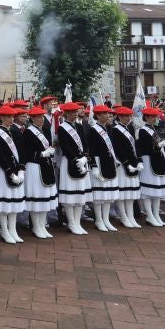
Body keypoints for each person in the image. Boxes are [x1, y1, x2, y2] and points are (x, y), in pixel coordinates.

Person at [0, 106, 27, 244]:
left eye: (12, 117)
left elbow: (22, 151)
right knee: (4, 203)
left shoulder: (15, 132)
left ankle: (13, 230)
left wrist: (22, 169)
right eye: (8, 117)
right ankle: (4, 231)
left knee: (14, 203)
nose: (11, 119)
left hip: (16, 171)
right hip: (3, 171)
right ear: (2, 118)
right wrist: (10, 171)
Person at [20, 107, 56, 239]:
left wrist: (50, 151)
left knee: (45, 197)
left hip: (46, 166)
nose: (42, 119)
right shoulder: (28, 132)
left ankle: (42, 225)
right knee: (37, 198)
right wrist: (41, 154)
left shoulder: (45, 130)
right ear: (33, 118)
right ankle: (36, 226)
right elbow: (26, 152)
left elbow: (49, 145)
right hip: (35, 167)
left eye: (42, 117)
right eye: (39, 117)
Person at [56, 102, 92, 235]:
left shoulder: (78, 126)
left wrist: (85, 157)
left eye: (76, 111)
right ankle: (71, 222)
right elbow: (65, 147)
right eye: (72, 112)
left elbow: (84, 143)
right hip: (70, 162)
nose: (75, 114)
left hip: (82, 161)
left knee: (80, 194)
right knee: (70, 195)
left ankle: (77, 222)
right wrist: (76, 159)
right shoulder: (62, 128)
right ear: (66, 114)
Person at [87, 104, 119, 232]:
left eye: (108, 113)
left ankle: (106, 219)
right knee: (99, 195)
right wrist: (94, 166)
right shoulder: (93, 129)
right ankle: (99, 220)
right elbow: (92, 149)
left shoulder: (109, 128)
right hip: (99, 163)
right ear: (98, 115)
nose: (107, 116)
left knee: (108, 195)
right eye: (105, 113)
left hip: (109, 162)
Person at [108, 107, 142, 228]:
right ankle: (123, 216)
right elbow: (118, 149)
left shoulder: (130, 128)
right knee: (123, 193)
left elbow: (135, 146)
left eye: (130, 116)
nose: (128, 118)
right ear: (120, 117)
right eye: (126, 116)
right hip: (123, 165)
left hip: (133, 163)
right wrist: (126, 163)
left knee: (131, 193)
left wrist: (139, 161)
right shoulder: (115, 130)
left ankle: (131, 216)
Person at [136, 107, 165, 227]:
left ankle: (156, 215)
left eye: (156, 116)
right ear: (147, 117)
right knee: (148, 191)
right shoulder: (143, 130)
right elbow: (144, 148)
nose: (156, 118)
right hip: (149, 161)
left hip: (158, 161)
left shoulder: (155, 129)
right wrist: (157, 146)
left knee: (158, 191)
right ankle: (149, 215)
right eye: (154, 116)